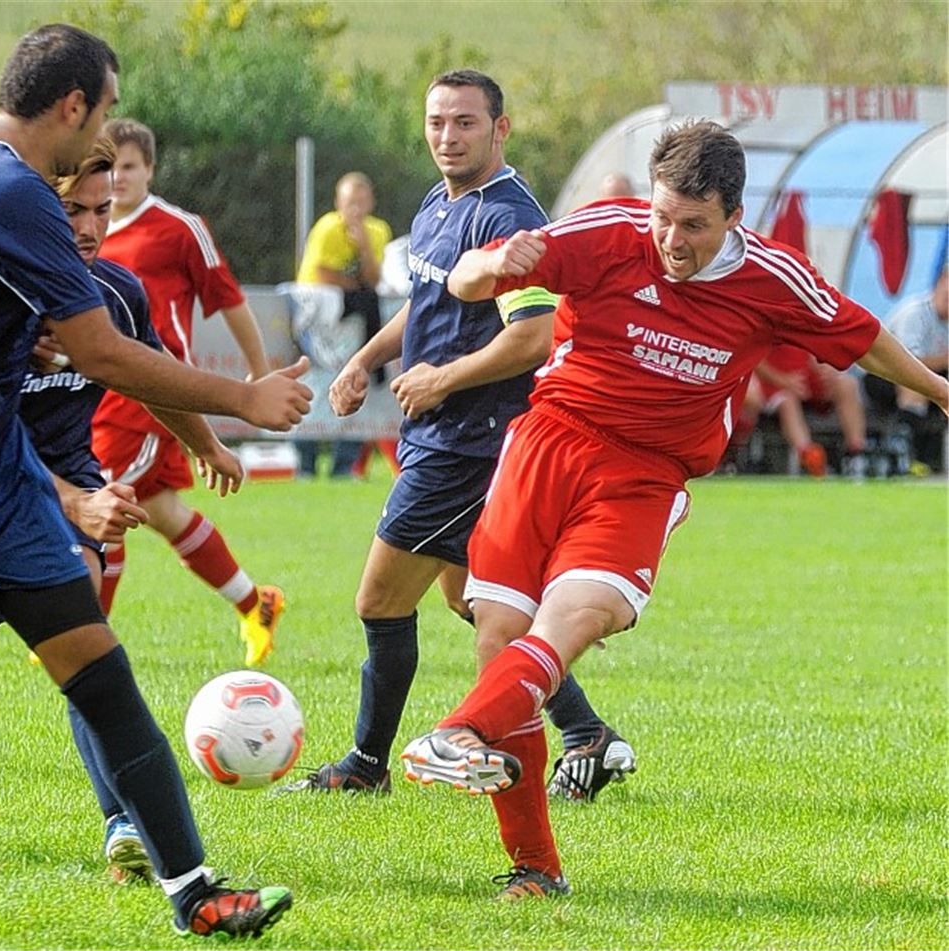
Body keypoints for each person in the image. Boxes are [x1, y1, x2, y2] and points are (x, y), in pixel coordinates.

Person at [0, 24, 311, 938]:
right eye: (107, 109)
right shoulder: (2, 187)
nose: (108, 148)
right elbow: (104, 353)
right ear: (74, 106)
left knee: (98, 668)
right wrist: (246, 395)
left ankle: (196, 892)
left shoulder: (1, 179)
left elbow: (52, 325)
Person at [401, 120, 948, 900]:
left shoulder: (773, 279)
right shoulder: (607, 232)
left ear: (733, 215)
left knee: (576, 619)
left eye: (692, 224)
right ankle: (535, 867)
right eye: (662, 216)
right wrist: (494, 260)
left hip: (644, 473)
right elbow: (464, 282)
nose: (670, 238)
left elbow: (859, 338)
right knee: (499, 637)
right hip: (549, 441)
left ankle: (458, 731)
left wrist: (937, 390)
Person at [281, 69, 634, 806]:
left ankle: (365, 763)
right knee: (471, 598)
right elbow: (426, 304)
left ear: (500, 129)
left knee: (379, 600)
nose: (449, 135)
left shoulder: (507, 216)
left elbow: (534, 336)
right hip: (440, 434)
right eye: (438, 121)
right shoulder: (441, 203)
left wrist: (442, 379)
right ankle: (587, 734)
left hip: (469, 445)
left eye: (466, 122)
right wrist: (364, 358)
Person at [0, 134, 243, 885]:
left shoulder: (116, 292)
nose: (91, 228)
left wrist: (207, 442)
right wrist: (79, 500)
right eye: (72, 211)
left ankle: (123, 821)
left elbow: (154, 374)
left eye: (104, 208)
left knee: (88, 656)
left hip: (65, 500)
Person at [92, 117, 283, 667]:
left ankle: (87, 632)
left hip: (153, 391)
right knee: (158, 508)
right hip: (100, 388)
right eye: (109, 166)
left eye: (129, 166)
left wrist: (256, 373)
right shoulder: (87, 224)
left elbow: (227, 298)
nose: (119, 177)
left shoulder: (177, 228)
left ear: (150, 169)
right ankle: (256, 602)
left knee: (106, 496)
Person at [294, 171, 396, 479]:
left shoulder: (377, 231)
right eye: (350, 201)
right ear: (338, 201)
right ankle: (306, 468)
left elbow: (375, 279)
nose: (355, 207)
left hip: (355, 324)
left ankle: (344, 467)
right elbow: (320, 273)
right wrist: (354, 284)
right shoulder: (327, 228)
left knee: (354, 384)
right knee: (313, 387)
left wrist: (363, 245)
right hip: (320, 322)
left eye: (361, 200)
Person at [866, 264, 948, 471]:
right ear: (939, 284)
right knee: (916, 385)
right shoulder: (915, 313)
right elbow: (907, 362)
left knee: (926, 384)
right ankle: (906, 453)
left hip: (927, 377)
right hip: (881, 375)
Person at [741, 345, 869, 477]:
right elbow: (753, 359)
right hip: (774, 381)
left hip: (805, 375)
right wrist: (783, 380)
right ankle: (811, 459)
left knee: (847, 384)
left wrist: (828, 366)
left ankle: (856, 455)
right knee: (787, 401)